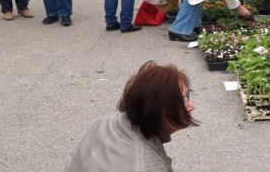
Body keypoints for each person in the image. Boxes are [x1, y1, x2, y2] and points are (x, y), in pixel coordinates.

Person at [64, 61, 196, 172]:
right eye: (182, 101)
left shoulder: (109, 121)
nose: (191, 106)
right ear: (156, 110)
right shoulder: (146, 165)